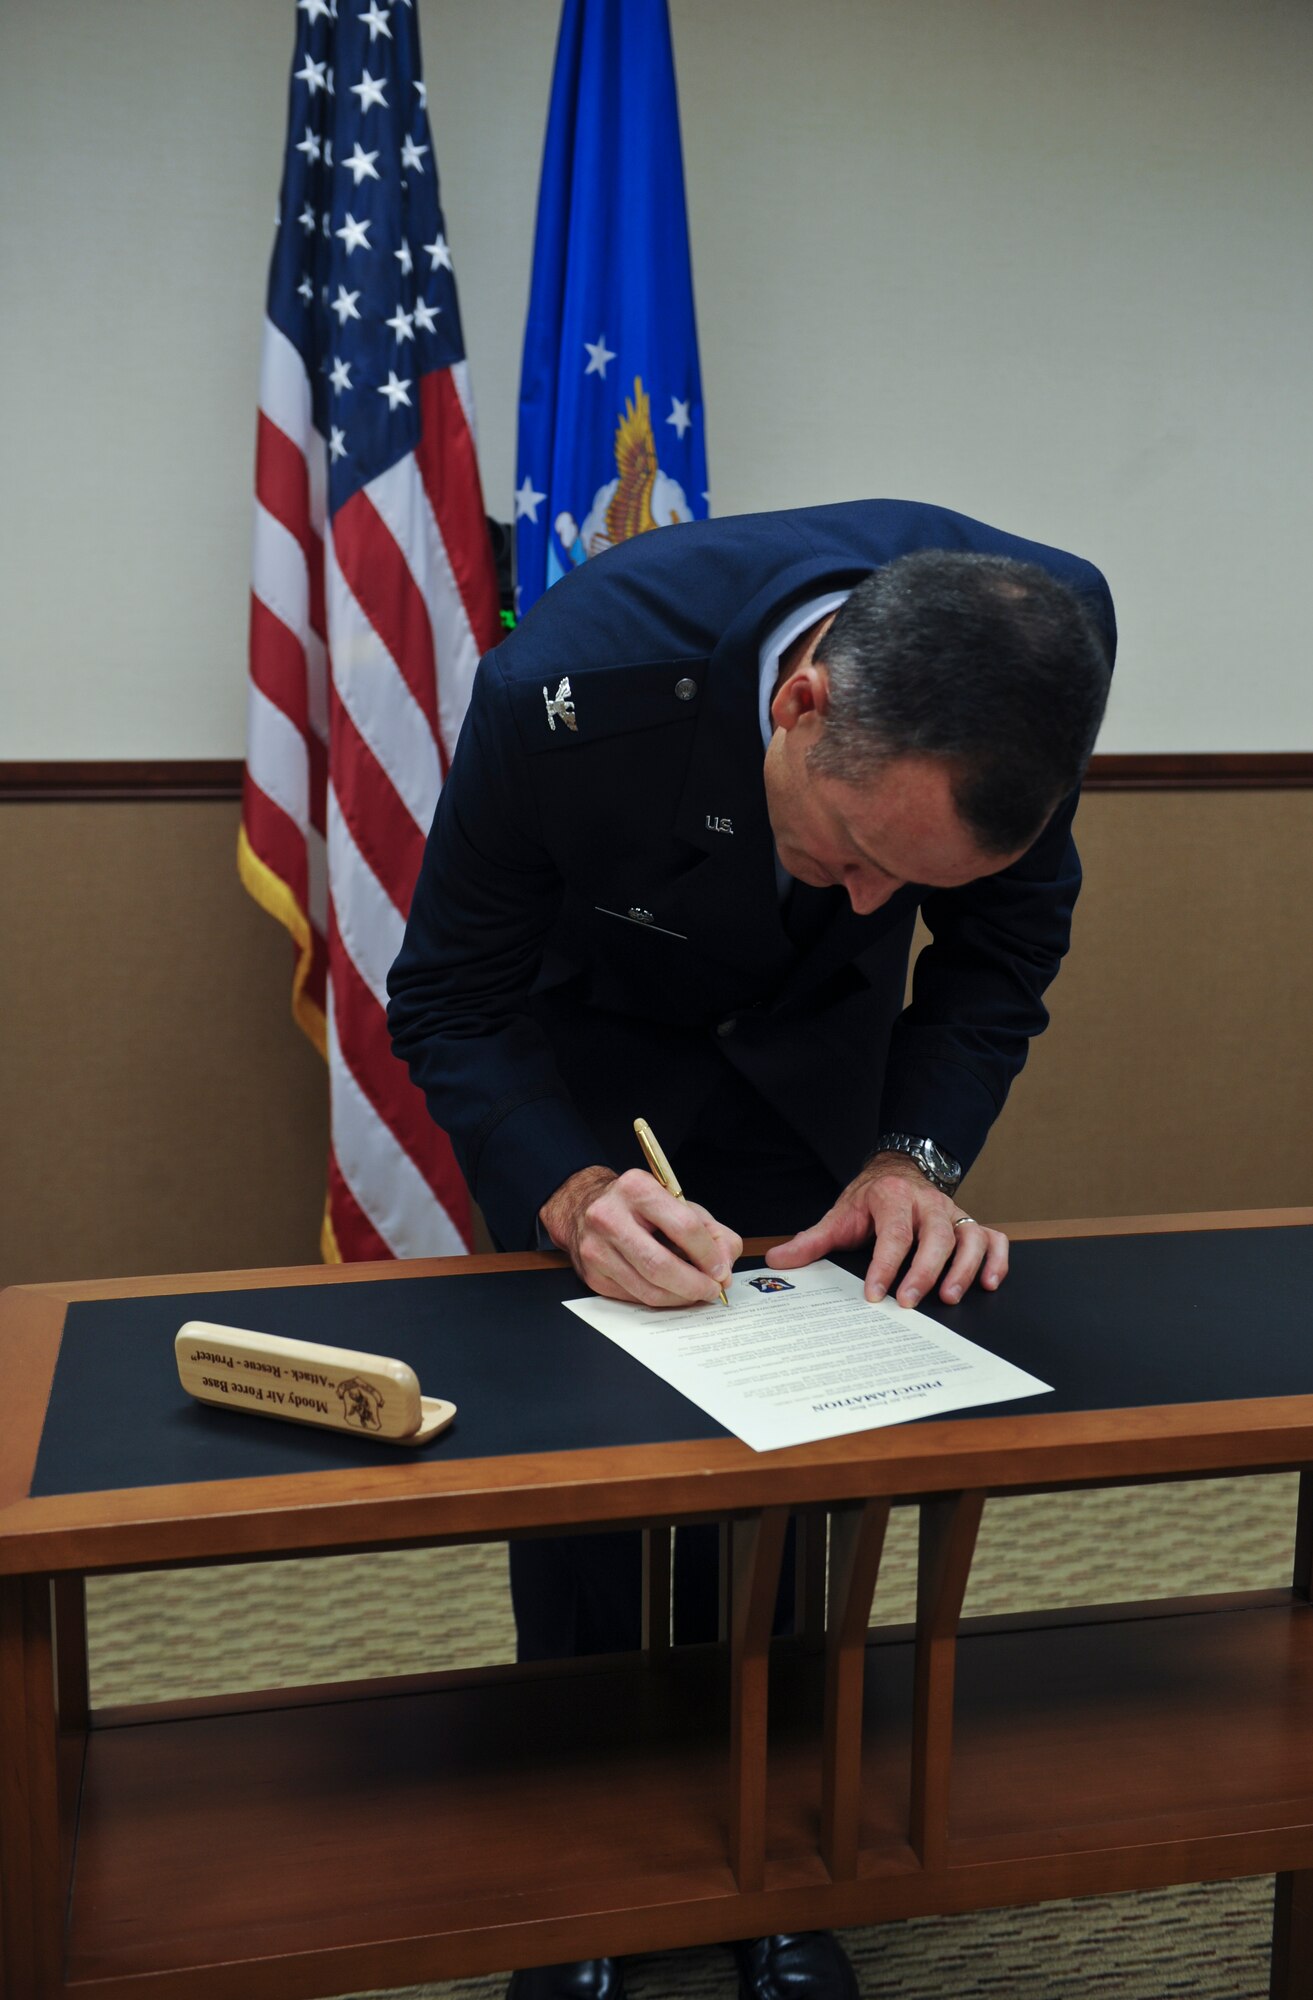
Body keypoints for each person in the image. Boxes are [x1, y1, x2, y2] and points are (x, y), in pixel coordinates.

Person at [388, 497, 1115, 2000]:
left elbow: (1004, 946)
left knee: (793, 1472)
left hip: (816, 1097)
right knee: (586, 1488)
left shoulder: (1046, 638)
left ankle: (780, 1857)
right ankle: (585, 1878)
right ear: (799, 704)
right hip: (581, 1083)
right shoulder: (569, 686)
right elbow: (450, 996)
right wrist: (570, 1186)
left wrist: (913, 1153)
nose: (869, 904)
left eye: (910, 882)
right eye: (853, 848)